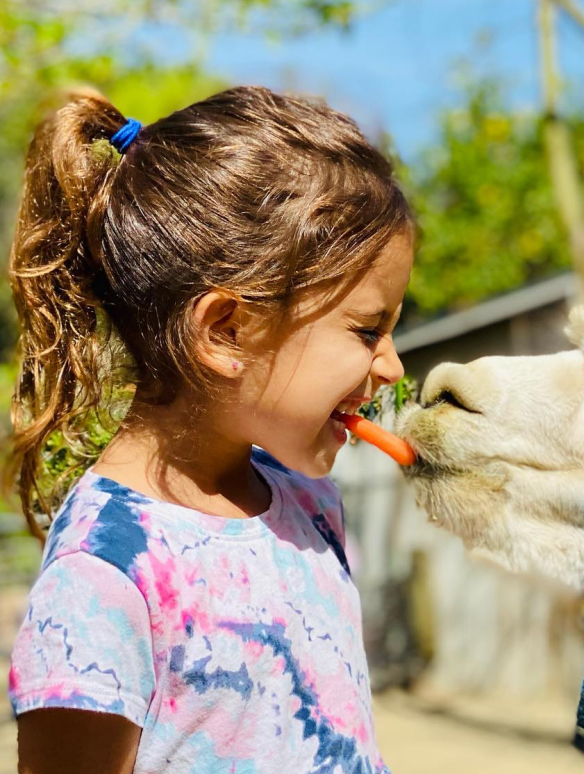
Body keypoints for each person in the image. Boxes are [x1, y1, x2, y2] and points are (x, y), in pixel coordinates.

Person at [6, 85, 413, 774]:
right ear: (226, 330)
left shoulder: (312, 508)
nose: (393, 368)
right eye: (368, 330)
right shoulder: (105, 577)